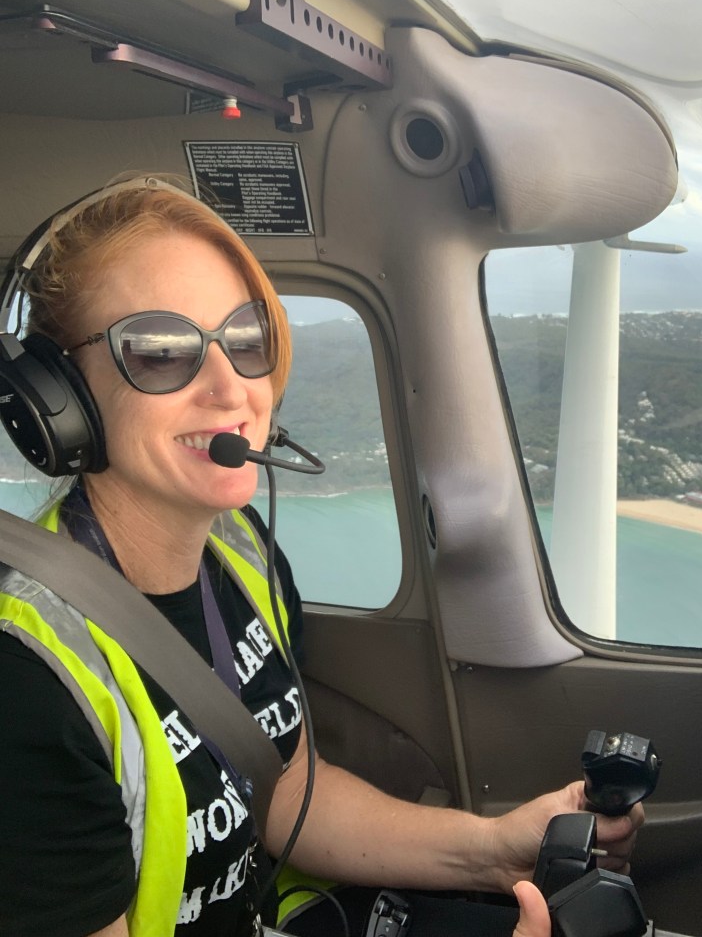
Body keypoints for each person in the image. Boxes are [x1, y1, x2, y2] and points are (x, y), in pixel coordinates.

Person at [0, 176, 642, 937]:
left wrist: (495, 851)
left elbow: (286, 791)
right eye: (160, 350)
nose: (231, 388)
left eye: (247, 339)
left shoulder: (243, 552)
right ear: (57, 396)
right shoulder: (27, 679)